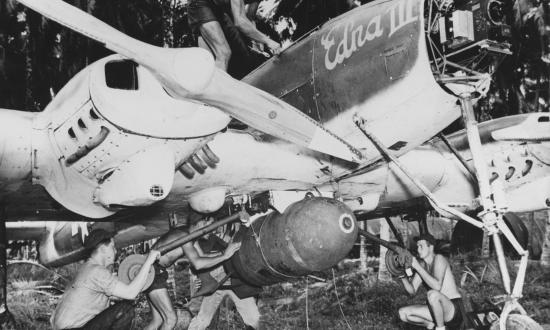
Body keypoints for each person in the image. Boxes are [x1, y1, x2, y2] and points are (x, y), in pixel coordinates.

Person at [144, 218, 242, 330]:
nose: (212, 232)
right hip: (153, 271)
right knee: (171, 320)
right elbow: (198, 264)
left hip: (153, 270)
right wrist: (225, 256)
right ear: (201, 222)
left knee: (158, 321)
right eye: (210, 227)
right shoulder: (184, 236)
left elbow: (202, 256)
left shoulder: (190, 236)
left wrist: (225, 253)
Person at [52, 229, 160, 330]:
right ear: (103, 249)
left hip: (69, 327)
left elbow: (120, 290)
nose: (115, 251)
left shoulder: (86, 268)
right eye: (113, 247)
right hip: (75, 328)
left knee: (122, 305)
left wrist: (140, 272)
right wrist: (149, 261)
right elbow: (130, 293)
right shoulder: (96, 271)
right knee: (125, 310)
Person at [187, 219, 261, 330]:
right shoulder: (193, 243)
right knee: (202, 321)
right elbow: (196, 264)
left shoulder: (219, 238)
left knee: (254, 318)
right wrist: (197, 278)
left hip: (235, 281)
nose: (210, 230)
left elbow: (235, 245)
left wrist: (243, 227)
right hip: (215, 285)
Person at [187, 0, 281, 71]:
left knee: (210, 62)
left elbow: (249, 18)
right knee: (223, 53)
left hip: (217, 8)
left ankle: (209, 87)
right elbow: (240, 22)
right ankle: (218, 93)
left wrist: (257, 40)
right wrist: (268, 41)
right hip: (200, 4)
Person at [398, 233, 464, 330]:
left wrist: (417, 266)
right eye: (417, 246)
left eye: (421, 246)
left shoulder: (439, 259)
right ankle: (430, 325)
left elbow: (437, 286)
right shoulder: (423, 266)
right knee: (403, 313)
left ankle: (440, 328)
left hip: (454, 309)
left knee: (432, 294)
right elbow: (412, 291)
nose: (418, 249)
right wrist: (401, 276)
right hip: (437, 310)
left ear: (431, 247)